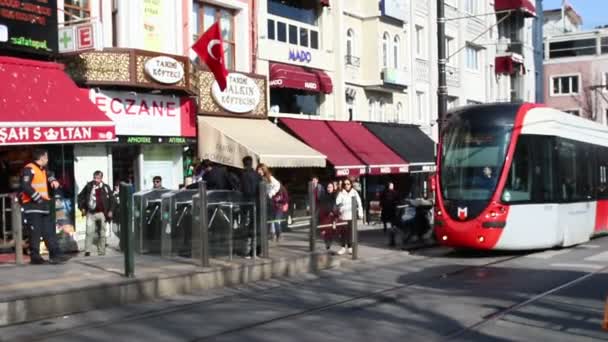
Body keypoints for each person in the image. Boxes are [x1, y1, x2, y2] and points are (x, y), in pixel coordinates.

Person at [19, 149, 67, 264]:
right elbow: (25, 185)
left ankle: (55, 255)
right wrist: (37, 197)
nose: (47, 159)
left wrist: (53, 180)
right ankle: (35, 257)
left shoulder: (43, 169)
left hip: (44, 205)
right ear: (41, 158)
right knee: (35, 232)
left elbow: (49, 174)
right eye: (46, 157)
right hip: (33, 205)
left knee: (49, 231)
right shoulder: (29, 169)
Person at [77, 171, 115, 256]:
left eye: (98, 178)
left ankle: (101, 251)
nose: (96, 180)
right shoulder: (89, 186)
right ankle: (87, 251)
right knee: (89, 232)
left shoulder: (106, 187)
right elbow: (80, 196)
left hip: (102, 213)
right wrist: (82, 208)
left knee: (102, 233)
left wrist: (111, 210)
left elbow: (112, 200)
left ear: (101, 178)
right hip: (91, 213)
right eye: (95, 178)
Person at [240, 156, 262, 258]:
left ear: (244, 164)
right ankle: (256, 250)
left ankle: (248, 252)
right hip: (257, 203)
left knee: (248, 227)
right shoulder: (257, 175)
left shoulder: (244, 175)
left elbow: (243, 189)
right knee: (256, 226)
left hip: (247, 203)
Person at [335, 179, 363, 255]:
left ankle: (350, 247)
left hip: (351, 216)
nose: (347, 185)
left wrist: (360, 214)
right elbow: (337, 202)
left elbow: (359, 203)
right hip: (343, 216)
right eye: (345, 184)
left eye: (348, 184)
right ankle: (343, 247)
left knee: (351, 233)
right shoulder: (341, 193)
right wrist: (340, 208)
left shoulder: (354, 192)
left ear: (351, 184)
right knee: (343, 233)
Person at [256, 164, 281, 241]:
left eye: (260, 169)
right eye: (258, 169)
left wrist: (271, 193)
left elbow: (277, 185)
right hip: (259, 200)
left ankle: (266, 236)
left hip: (267, 200)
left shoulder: (269, 177)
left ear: (264, 170)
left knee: (267, 219)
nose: (259, 171)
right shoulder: (257, 178)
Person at [319, 182, 338, 251]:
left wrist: (333, 212)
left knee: (331, 231)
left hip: (333, 215)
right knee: (325, 231)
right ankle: (327, 243)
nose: (329, 188)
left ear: (333, 188)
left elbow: (336, 205)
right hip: (325, 216)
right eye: (328, 187)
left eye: (330, 187)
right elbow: (322, 206)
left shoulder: (335, 195)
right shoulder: (323, 196)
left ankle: (329, 243)